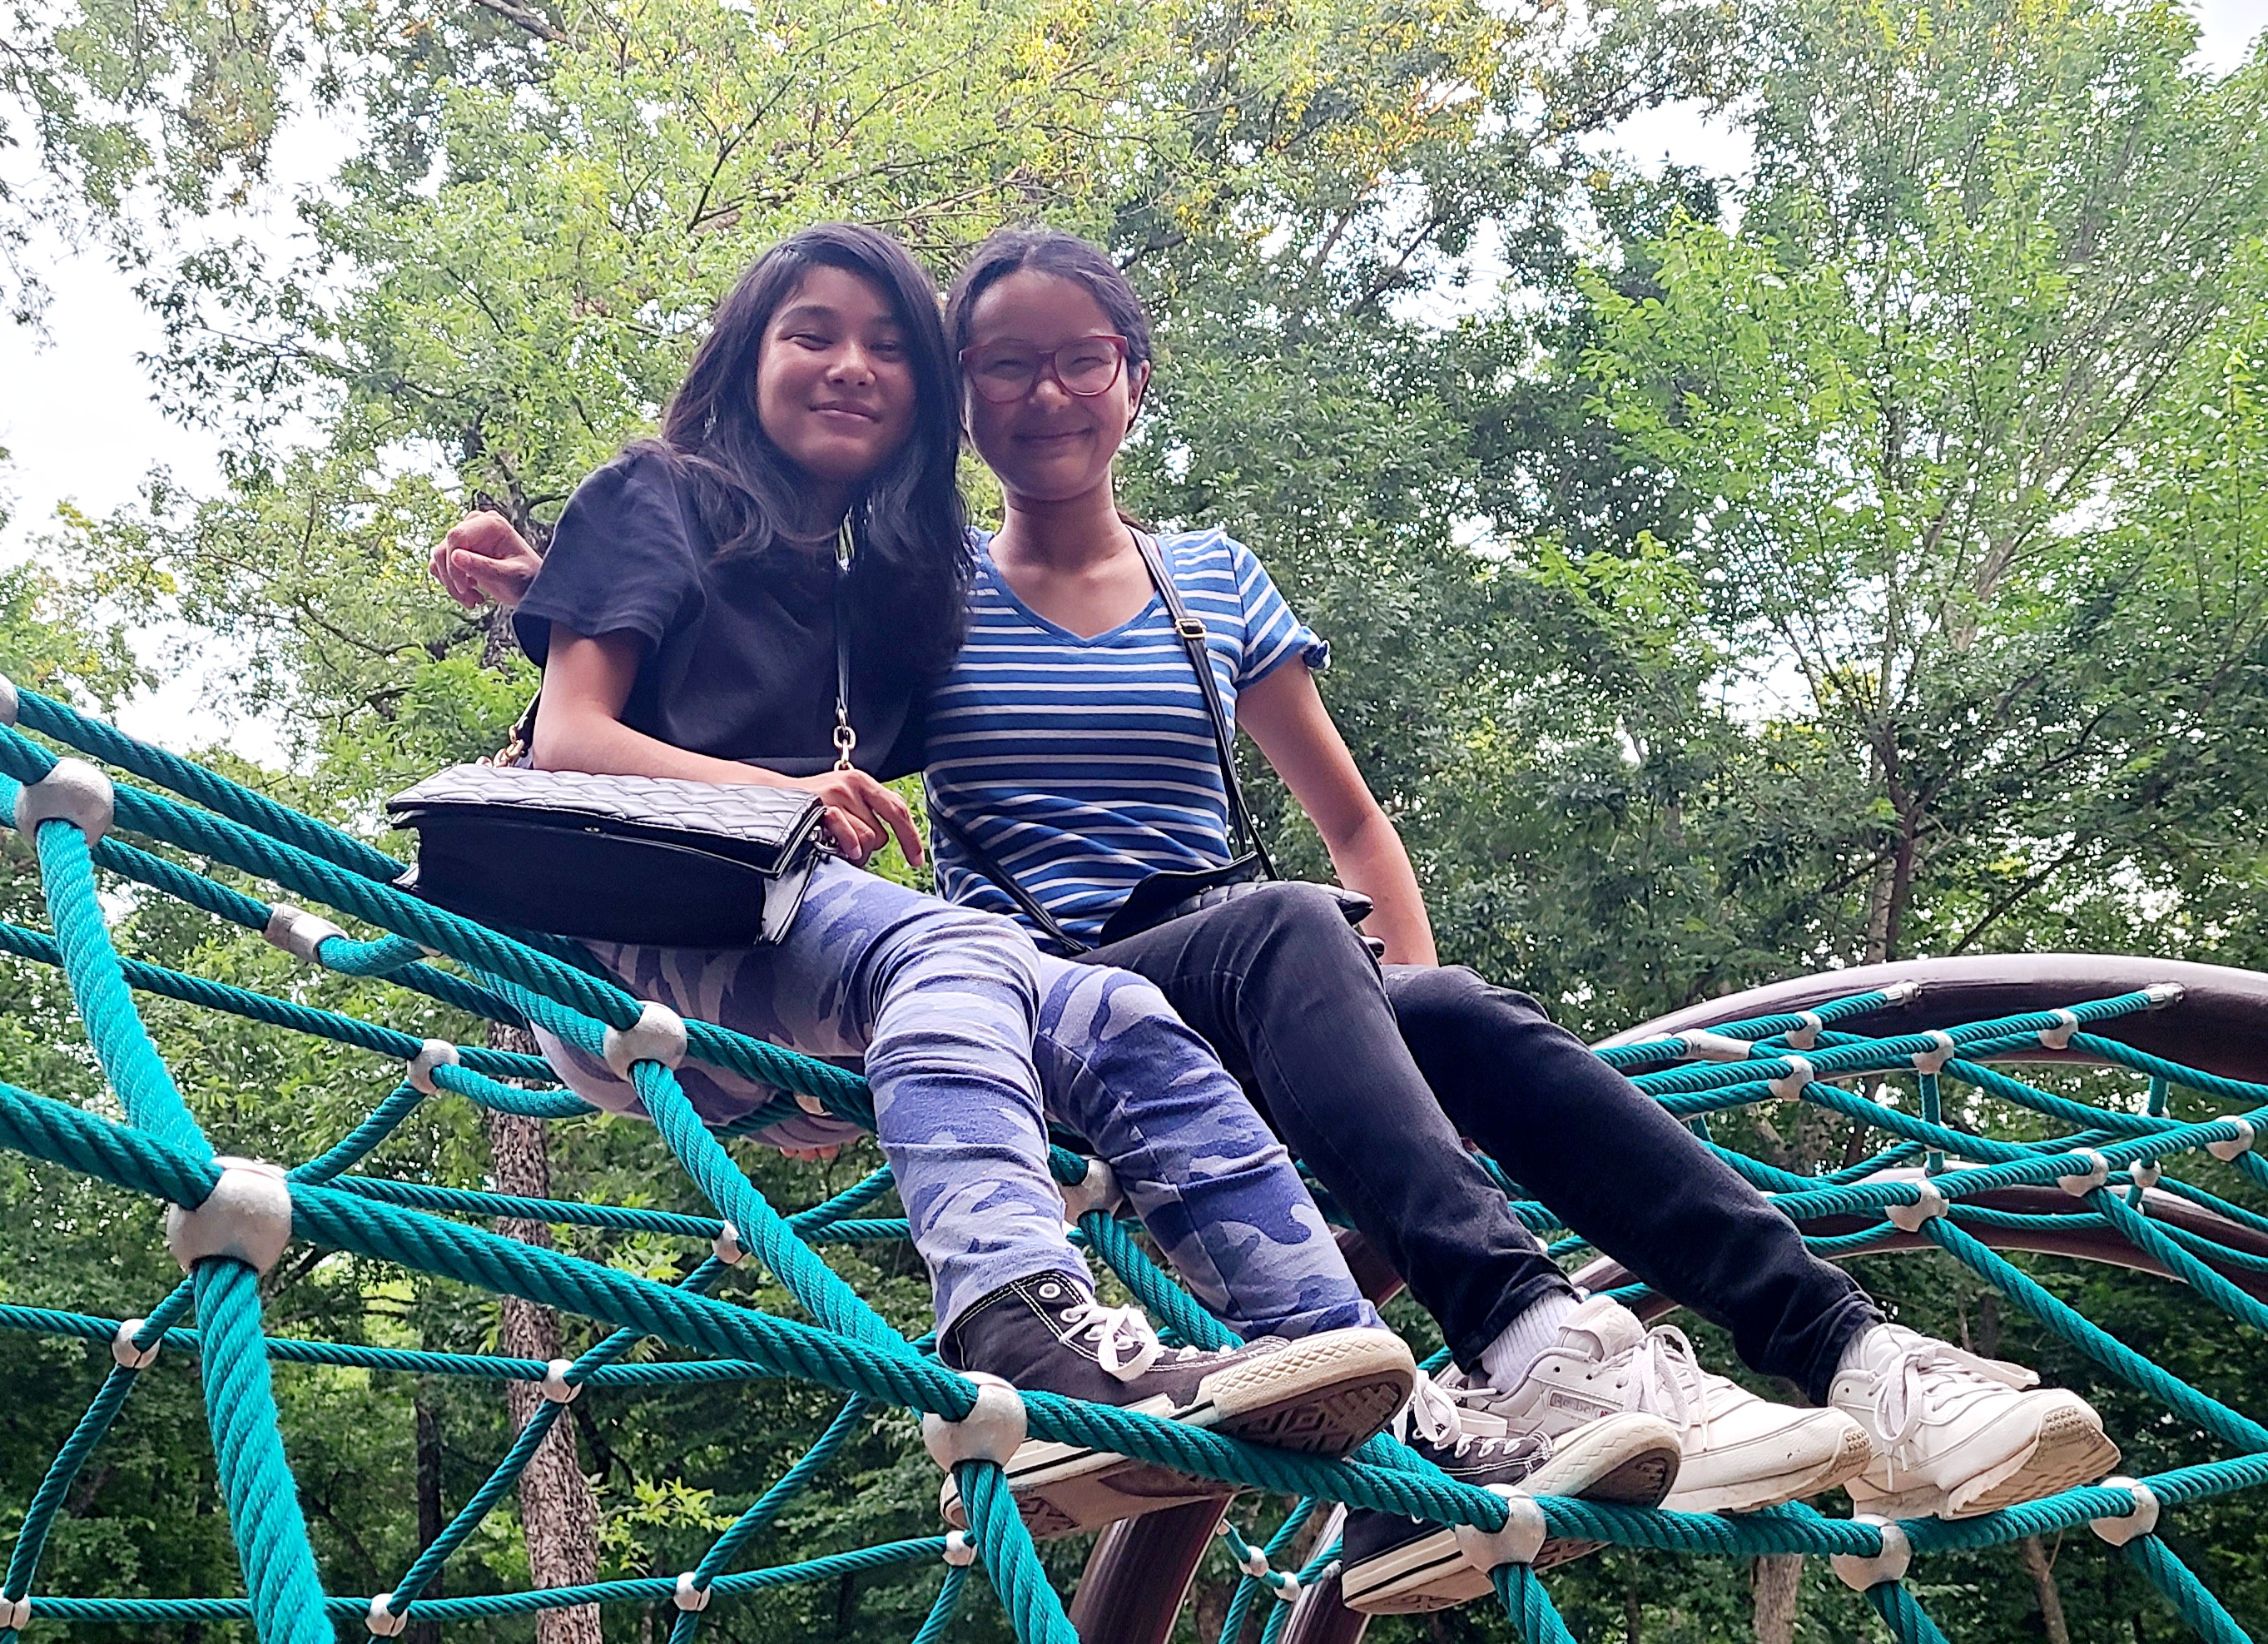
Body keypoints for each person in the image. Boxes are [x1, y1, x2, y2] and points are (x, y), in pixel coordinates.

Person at [437, 226, 2120, 1610]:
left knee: (1446, 1012)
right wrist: (551, 589)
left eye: (1079, 357)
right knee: (1289, 932)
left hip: (1250, 961)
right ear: (965, 409)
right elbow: (697, 638)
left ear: (1133, 377)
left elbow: (1353, 818)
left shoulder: (1205, 581)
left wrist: (1392, 1020)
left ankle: (1855, 1361)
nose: (1044, 391)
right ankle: (1538, 1344)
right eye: (1003, 365)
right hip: (1056, 973)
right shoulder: (915, 598)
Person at [467, 221, 1429, 1542]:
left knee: (1118, 1016)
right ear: (747, 356)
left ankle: (1362, 1411)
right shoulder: (659, 491)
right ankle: (1016, 1326)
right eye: (812, 334)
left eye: (887, 347)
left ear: (927, 403)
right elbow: (575, 738)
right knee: (956, 946)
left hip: (778, 972)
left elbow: (773, 666)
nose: (850, 365)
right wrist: (775, 791)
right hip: (628, 925)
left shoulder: (873, 600)